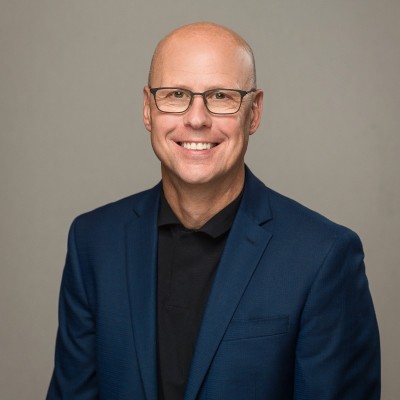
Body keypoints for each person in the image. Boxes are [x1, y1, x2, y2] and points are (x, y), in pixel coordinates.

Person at [47, 22, 380, 399]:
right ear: (148, 109)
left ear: (254, 112)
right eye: (176, 95)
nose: (196, 119)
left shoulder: (323, 256)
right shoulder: (93, 243)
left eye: (221, 96)